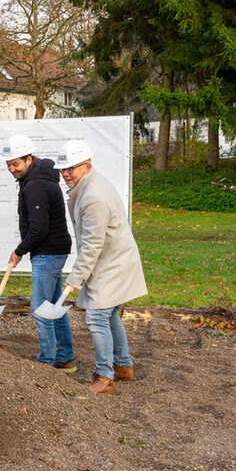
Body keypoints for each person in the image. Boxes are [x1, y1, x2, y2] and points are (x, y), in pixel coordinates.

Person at [55, 139, 148, 393]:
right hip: (113, 260)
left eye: (71, 168)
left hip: (112, 265)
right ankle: (124, 366)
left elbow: (91, 246)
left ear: (87, 165)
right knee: (109, 315)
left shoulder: (93, 196)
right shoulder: (89, 186)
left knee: (97, 317)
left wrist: (74, 279)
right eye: (63, 169)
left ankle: (105, 377)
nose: (66, 174)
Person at [2, 134, 76, 372]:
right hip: (52, 251)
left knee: (40, 308)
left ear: (29, 159)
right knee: (54, 307)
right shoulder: (36, 180)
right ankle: (65, 357)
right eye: (9, 164)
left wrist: (19, 250)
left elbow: (40, 228)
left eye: (16, 164)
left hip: (47, 252)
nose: (12, 168)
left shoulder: (35, 184)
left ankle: (46, 362)